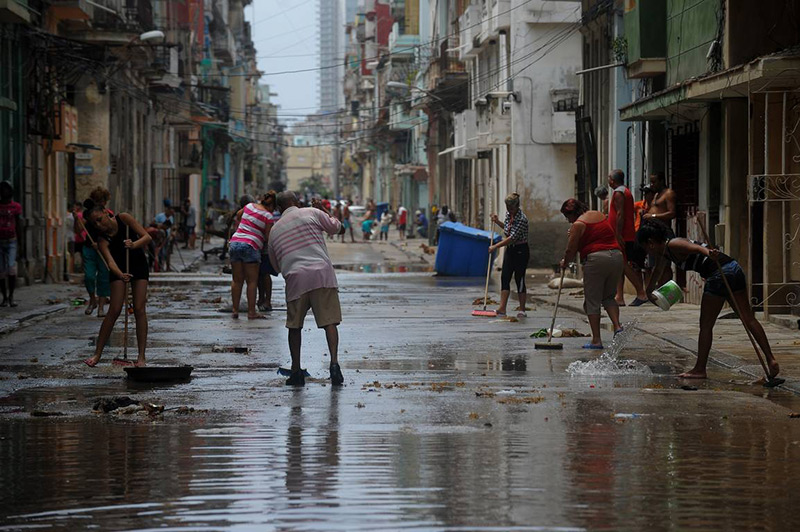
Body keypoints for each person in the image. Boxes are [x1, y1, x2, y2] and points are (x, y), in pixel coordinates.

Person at [637, 219, 780, 380]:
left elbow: (696, 248)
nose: (647, 252)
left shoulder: (674, 244)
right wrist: (648, 292)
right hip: (733, 268)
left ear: (650, 243)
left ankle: (699, 369)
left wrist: (709, 253)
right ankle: (771, 359)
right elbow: (658, 272)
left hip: (718, 274)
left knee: (705, 325)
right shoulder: (665, 253)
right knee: (748, 318)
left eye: (645, 248)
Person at [268, 191, 345, 387]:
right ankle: (334, 364)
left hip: (295, 280)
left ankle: (296, 371)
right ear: (296, 202)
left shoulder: (275, 231)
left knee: (294, 326)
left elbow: (275, 265)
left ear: (279, 208)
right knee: (330, 323)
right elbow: (338, 228)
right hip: (321, 275)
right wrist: (324, 210)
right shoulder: (312, 212)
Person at [82, 203, 152, 367]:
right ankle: (97, 354)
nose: (99, 225)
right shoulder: (102, 240)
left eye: (100, 219)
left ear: (106, 213)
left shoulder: (124, 219)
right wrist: (120, 274)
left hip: (138, 264)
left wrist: (133, 244)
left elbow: (146, 237)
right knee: (114, 309)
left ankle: (141, 357)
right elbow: (110, 262)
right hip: (118, 269)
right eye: (95, 224)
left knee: (139, 308)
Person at [560, 199, 624, 348]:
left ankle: (596, 340)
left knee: (592, 301)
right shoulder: (598, 214)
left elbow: (571, 249)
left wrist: (565, 262)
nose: (568, 221)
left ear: (572, 214)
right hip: (616, 256)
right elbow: (597, 234)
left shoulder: (578, 224)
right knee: (608, 296)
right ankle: (618, 327)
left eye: (567, 217)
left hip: (596, 260)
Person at [228, 194, 273, 320]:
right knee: (251, 281)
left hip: (235, 242)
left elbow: (238, 215)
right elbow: (268, 237)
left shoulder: (249, 206)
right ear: (272, 206)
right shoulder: (268, 216)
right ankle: (251, 312)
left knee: (237, 280)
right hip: (251, 245)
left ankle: (235, 310)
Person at [608, 169, 649, 306]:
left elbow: (620, 214)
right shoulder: (624, 191)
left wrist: (618, 234)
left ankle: (641, 293)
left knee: (623, 264)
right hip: (623, 233)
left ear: (612, 180)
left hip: (622, 235)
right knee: (619, 265)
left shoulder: (619, 193)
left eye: (609, 178)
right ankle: (619, 297)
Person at [488, 192, 530, 318]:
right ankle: (502, 308)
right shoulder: (508, 214)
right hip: (510, 250)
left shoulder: (522, 219)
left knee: (519, 279)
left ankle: (522, 309)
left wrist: (496, 246)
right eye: (507, 208)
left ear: (517, 206)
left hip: (521, 250)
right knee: (505, 277)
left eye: (511, 208)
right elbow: (507, 230)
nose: (509, 211)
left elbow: (512, 238)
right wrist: (497, 222)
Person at [82, 187, 113, 317]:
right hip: (89, 247)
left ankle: (101, 307)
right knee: (89, 276)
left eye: (102, 200)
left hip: (103, 248)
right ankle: (92, 301)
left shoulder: (108, 214)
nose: (100, 203)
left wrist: (100, 243)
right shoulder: (86, 214)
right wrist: (76, 218)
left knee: (103, 277)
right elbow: (80, 230)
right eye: (97, 200)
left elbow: (111, 231)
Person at [0, 181, 22, 307]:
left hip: (11, 240)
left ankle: (11, 296)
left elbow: (19, 224)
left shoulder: (16, 207)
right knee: (1, 271)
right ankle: (4, 297)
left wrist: (20, 243)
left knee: (11, 267)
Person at [257, 191, 278, 312]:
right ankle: (261, 298)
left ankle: (267, 300)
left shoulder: (273, 215)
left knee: (264, 275)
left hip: (266, 247)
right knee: (260, 275)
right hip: (259, 246)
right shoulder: (265, 213)